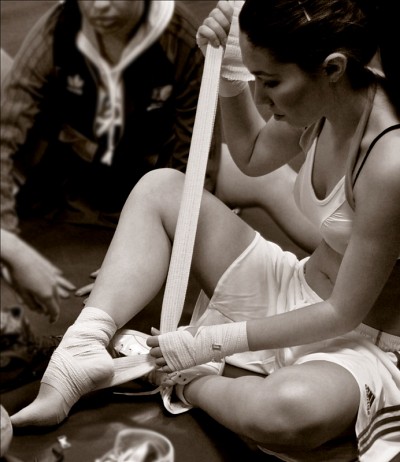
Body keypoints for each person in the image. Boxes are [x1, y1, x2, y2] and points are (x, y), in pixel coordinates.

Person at [11, 0, 400, 460]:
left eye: (271, 82)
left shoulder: (390, 161)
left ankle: (179, 379)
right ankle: (82, 349)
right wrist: (230, 71)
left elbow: (341, 314)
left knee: (287, 411)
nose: (262, 99)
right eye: (256, 80)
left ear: (332, 68)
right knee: (162, 189)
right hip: (294, 288)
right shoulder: (327, 98)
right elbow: (251, 155)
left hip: (360, 341)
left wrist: (209, 344)